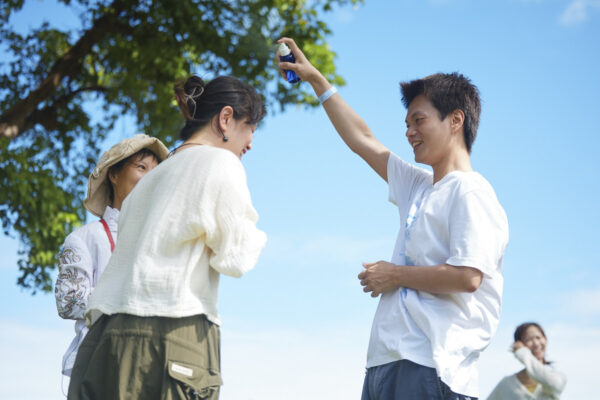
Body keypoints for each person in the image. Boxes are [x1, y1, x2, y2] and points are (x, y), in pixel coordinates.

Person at [277, 38, 509, 399]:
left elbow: (468, 276)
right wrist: (316, 81)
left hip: (432, 368)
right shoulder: (418, 185)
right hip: (384, 364)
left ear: (455, 120)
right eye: (407, 123)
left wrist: (395, 275)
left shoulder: (471, 191)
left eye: (419, 120)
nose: (409, 132)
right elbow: (363, 140)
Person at [67, 75, 267, 400]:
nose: (250, 143)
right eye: (251, 128)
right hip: (171, 330)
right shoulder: (221, 162)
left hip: (104, 340)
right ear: (226, 118)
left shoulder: (150, 178)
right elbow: (235, 257)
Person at [55, 133, 169, 379]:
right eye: (141, 167)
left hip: (153, 366)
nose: (150, 178)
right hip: (100, 366)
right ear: (114, 175)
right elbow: (68, 302)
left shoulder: (164, 241)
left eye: (156, 172)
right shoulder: (84, 238)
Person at [487, 322, 567, 399]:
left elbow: (552, 384)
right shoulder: (506, 384)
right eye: (528, 339)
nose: (536, 343)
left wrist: (523, 352)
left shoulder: (557, 377)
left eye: (538, 337)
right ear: (519, 344)